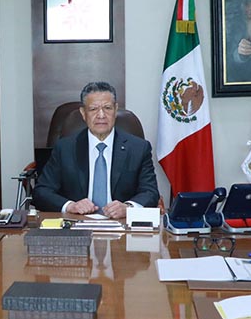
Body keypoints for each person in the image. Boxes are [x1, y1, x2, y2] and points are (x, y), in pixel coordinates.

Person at [33, 81, 160, 219]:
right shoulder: (65, 148)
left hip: (122, 224)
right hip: (78, 224)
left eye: (107, 108)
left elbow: (150, 192)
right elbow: (41, 192)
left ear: (115, 110)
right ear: (83, 113)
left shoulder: (138, 148)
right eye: (93, 109)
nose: (101, 115)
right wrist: (70, 206)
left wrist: (128, 208)